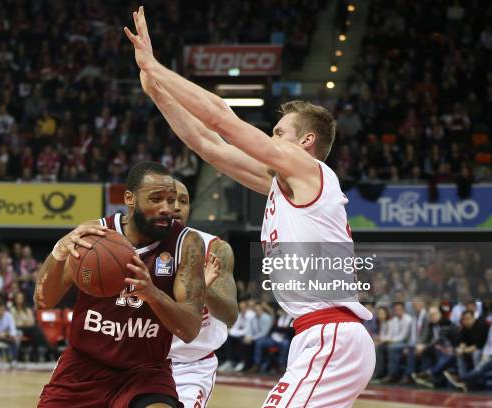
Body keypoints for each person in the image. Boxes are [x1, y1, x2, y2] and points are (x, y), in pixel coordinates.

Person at [125, 8, 374, 406]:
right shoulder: (284, 186)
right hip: (316, 335)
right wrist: (158, 94)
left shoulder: (308, 169)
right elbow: (208, 145)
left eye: (278, 133)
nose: (271, 140)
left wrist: (155, 68)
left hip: (332, 333)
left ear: (307, 141)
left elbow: (224, 120)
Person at [35, 161, 205, 408]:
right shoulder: (94, 236)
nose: (167, 208)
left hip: (145, 373)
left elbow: (190, 329)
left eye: (171, 200)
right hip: (84, 368)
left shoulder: (187, 244)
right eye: (156, 199)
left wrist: (153, 294)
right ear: (129, 198)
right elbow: (43, 300)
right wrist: (58, 253)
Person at [169, 179, 238, 407]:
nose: (177, 206)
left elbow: (229, 315)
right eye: (170, 200)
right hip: (140, 361)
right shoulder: (130, 246)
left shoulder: (214, 248)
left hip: (190, 367)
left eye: (184, 201)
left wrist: (202, 288)